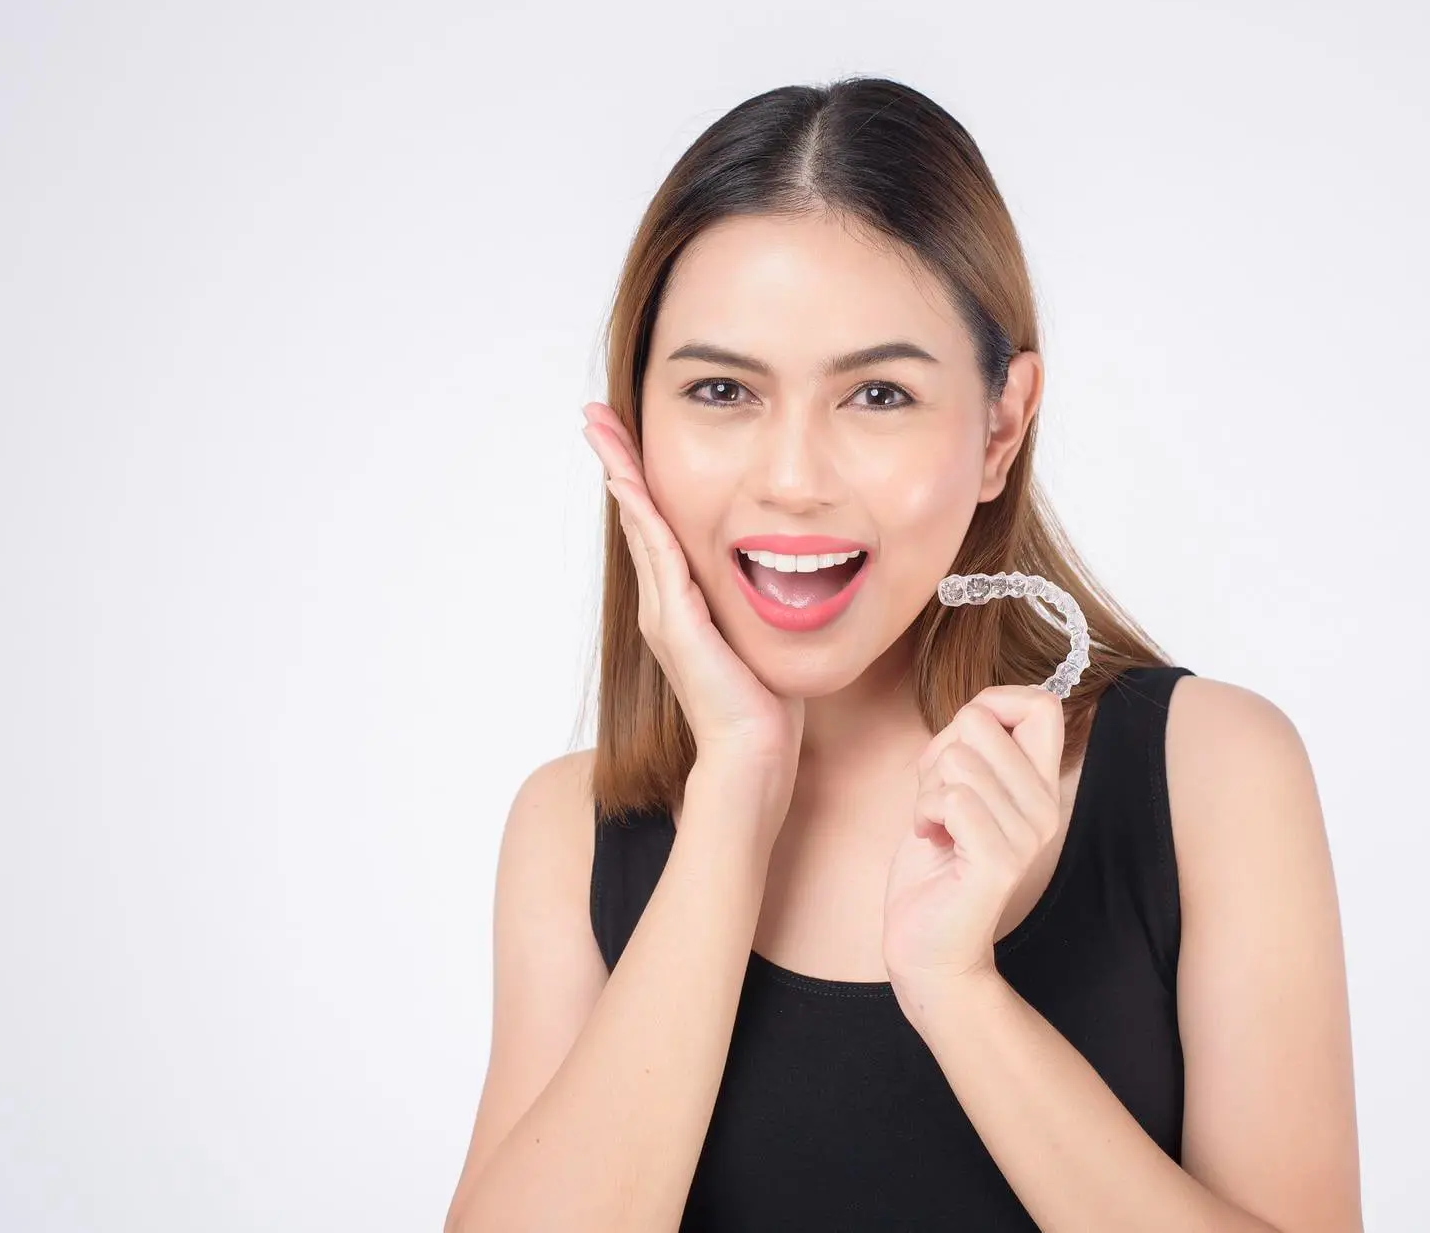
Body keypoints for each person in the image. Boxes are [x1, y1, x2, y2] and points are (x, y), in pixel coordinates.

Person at [441, 76, 1362, 1231]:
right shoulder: (573, 832)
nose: (791, 477)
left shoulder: (1209, 773)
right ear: (634, 424)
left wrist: (957, 993)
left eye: (876, 394)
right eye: (720, 390)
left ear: (998, 427)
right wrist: (735, 790)